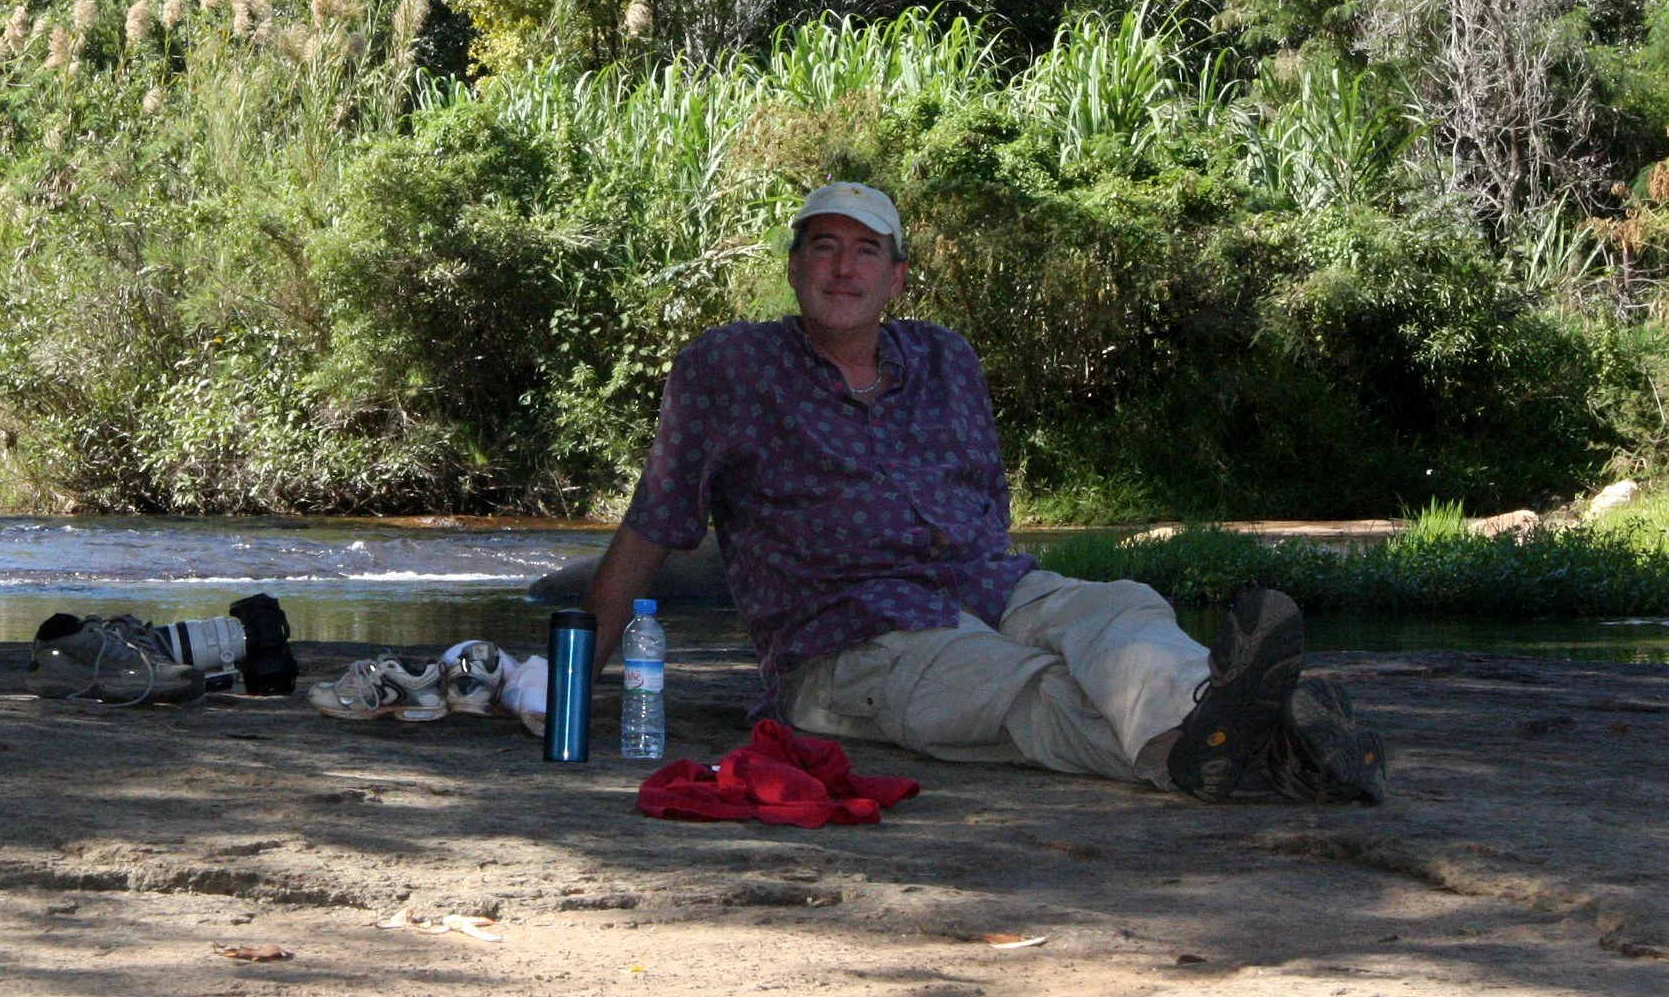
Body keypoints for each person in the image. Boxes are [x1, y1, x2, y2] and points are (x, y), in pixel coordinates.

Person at [583, 181, 1385, 802]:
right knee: (1028, 691)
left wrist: (1008, 593)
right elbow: (655, 522)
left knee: (1120, 610)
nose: (841, 267)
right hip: (852, 639)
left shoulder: (943, 359)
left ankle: (1220, 721)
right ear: (793, 267)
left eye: (866, 252)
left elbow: (985, 502)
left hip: (987, 586)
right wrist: (576, 677)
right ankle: (1272, 746)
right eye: (823, 247)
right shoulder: (729, 369)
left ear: (896, 278)